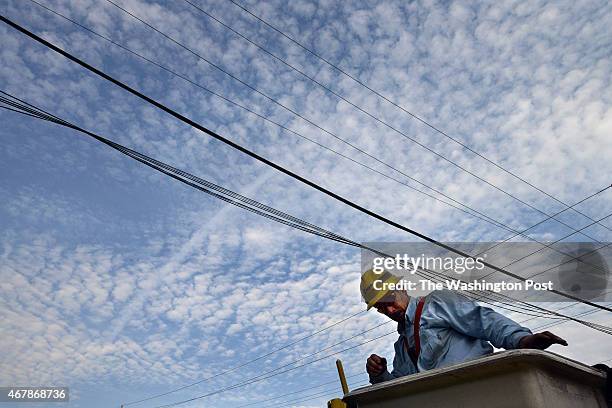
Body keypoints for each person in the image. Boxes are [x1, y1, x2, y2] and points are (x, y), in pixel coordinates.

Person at [361, 269, 568, 384]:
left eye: (389, 301)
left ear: (401, 288)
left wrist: (522, 340)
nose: (389, 311)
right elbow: (400, 387)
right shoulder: (402, 347)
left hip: (482, 389)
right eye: (381, 308)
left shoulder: (437, 303)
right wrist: (379, 375)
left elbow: (483, 321)